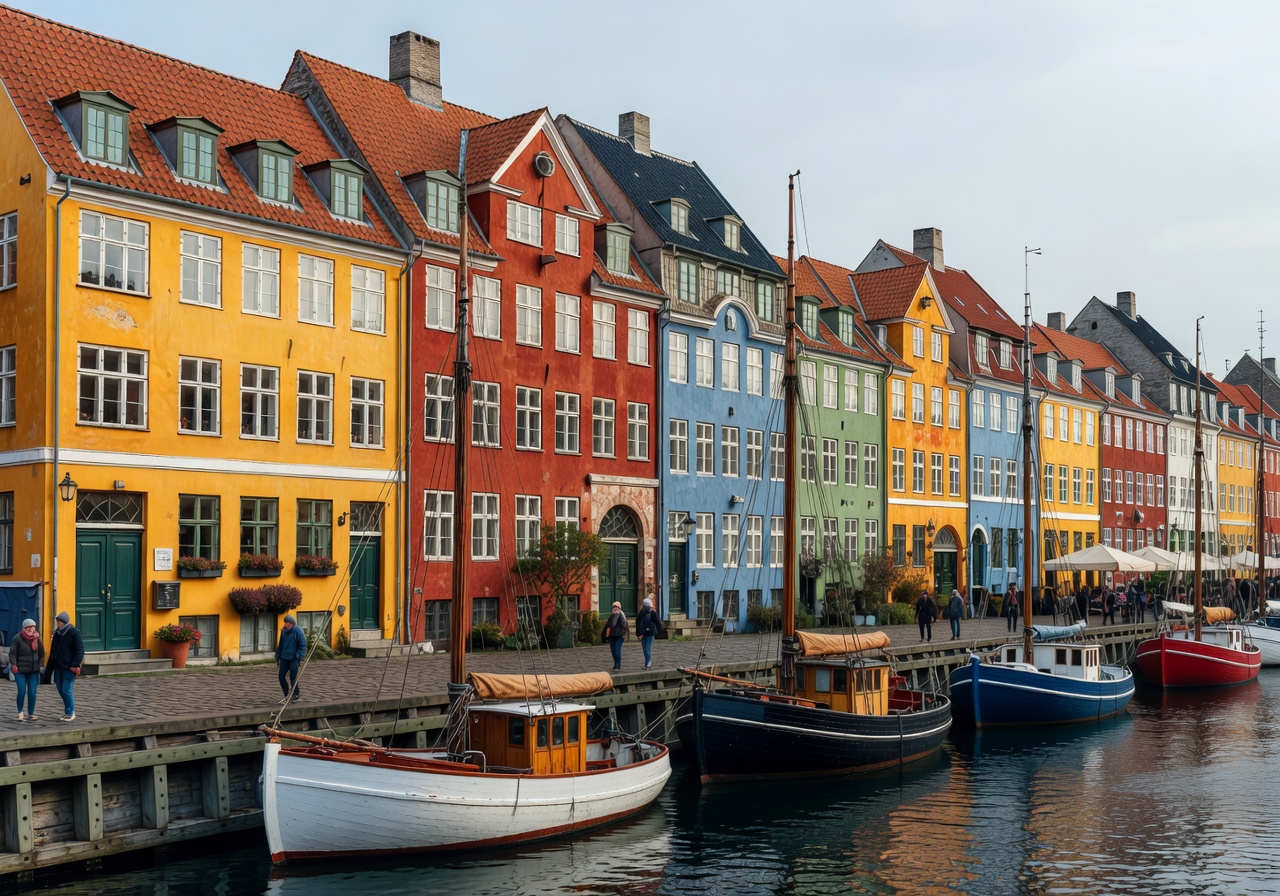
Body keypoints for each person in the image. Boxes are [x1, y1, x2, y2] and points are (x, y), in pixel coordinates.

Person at [47, 611, 84, 722]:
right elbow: (53, 652)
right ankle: (68, 709)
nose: (58, 624)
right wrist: (50, 667)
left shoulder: (74, 633)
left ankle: (70, 712)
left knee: (66, 689)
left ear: (65, 622)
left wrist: (75, 664)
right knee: (60, 689)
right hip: (59, 666)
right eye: (58, 622)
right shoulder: (57, 634)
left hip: (69, 667)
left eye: (60, 622)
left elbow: (80, 650)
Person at [12, 619, 43, 722]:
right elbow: (12, 653)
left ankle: (31, 713)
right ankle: (20, 712)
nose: (30, 629)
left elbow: (41, 653)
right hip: (20, 670)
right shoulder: (17, 638)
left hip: (33, 671)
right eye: (28, 627)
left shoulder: (37, 639)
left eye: (32, 627)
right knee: (21, 691)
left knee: (32, 692)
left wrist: (38, 664)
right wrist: (14, 665)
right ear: (24, 628)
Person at [275, 614, 306, 704]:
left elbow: (303, 645)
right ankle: (286, 694)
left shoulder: (298, 631)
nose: (286, 624)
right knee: (281, 676)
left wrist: (299, 656)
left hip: (294, 658)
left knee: (293, 677)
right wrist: (278, 655)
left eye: (287, 623)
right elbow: (281, 645)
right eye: (285, 622)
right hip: (284, 657)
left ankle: (295, 694)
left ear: (292, 623)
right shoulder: (283, 631)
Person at [635, 598, 659, 670]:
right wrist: (639, 633)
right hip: (643, 633)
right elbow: (638, 623)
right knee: (644, 648)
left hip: (650, 633)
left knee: (647, 648)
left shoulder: (653, 613)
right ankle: (646, 663)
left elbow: (657, 622)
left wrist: (655, 631)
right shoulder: (641, 613)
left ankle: (648, 663)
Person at [604, 601, 628, 670]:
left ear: (619, 608)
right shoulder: (611, 615)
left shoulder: (621, 615)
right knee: (613, 651)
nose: (615, 608)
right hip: (612, 635)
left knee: (617, 650)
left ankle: (618, 664)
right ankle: (615, 663)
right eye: (614, 607)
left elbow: (624, 625)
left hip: (619, 635)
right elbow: (608, 625)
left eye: (617, 607)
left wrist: (623, 632)